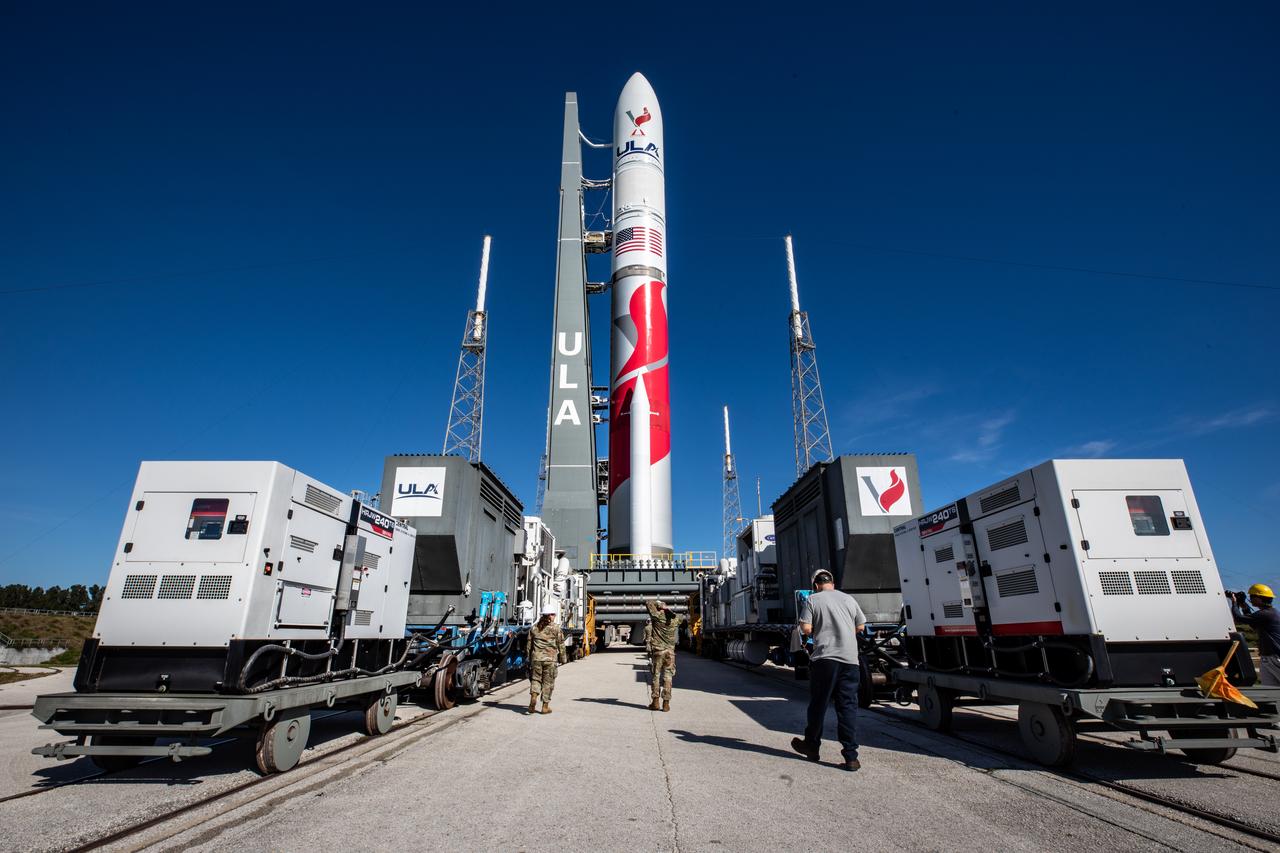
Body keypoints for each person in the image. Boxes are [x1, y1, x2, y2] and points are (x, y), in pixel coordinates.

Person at [791, 569, 866, 772]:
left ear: (815, 585)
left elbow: (805, 628)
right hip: (851, 661)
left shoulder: (813, 600)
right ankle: (851, 757)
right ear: (832, 582)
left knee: (819, 705)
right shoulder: (849, 599)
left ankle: (812, 747)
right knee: (847, 707)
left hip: (825, 659)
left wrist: (821, 630)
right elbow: (860, 626)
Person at [1231, 584, 1280, 686]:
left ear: (1259, 598)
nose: (1250, 599)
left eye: (1252, 597)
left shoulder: (1266, 614)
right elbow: (1251, 621)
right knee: (1270, 690)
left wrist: (1234, 602)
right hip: (1267, 658)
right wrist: (1243, 605)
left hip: (1275, 657)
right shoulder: (1268, 613)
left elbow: (1239, 617)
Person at [645, 598, 685, 712]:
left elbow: (648, 602)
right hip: (670, 652)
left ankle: (655, 702)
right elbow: (681, 618)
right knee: (668, 677)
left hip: (658, 651)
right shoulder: (675, 620)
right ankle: (666, 703)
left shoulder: (657, 616)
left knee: (656, 676)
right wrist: (668, 609)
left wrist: (659, 605)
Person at [526, 604, 567, 714]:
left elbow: (529, 645)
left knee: (535, 680)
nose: (554, 616)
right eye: (553, 614)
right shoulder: (556, 628)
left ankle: (533, 698)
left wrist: (529, 658)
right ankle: (545, 707)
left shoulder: (534, 628)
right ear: (550, 615)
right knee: (548, 683)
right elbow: (561, 645)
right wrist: (563, 659)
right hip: (550, 660)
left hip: (536, 659)